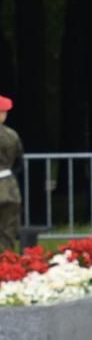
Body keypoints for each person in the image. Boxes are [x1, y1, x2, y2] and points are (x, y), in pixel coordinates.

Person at [0, 95, 20, 252]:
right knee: (8, 232)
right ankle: (7, 267)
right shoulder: (12, 135)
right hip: (8, 187)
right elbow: (19, 159)